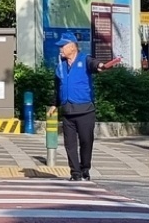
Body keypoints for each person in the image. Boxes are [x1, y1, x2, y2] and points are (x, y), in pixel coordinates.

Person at [47, 31, 121, 182]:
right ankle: (75, 173)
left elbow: (95, 64)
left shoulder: (84, 60)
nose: (60, 49)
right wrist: (54, 104)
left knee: (86, 141)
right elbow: (57, 87)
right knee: (70, 144)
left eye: (63, 46)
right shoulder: (60, 66)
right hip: (68, 110)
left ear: (72, 47)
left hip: (85, 110)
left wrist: (101, 66)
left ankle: (85, 168)